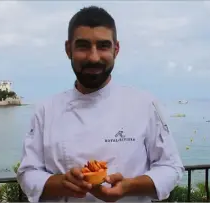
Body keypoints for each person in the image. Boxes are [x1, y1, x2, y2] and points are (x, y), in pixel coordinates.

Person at [17, 5, 184, 203]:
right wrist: (62, 183)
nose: (93, 57)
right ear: (68, 49)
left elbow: (171, 167)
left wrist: (130, 186)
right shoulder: (46, 109)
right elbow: (28, 172)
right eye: (83, 46)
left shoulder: (145, 104)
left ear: (116, 49)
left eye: (103, 46)